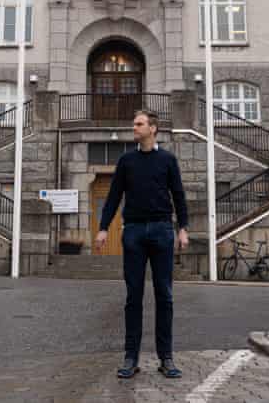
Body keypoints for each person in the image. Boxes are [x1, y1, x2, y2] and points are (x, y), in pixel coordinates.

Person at [94, 109, 189, 379]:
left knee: (165, 295)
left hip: (162, 230)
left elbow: (179, 195)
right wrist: (103, 228)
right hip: (133, 231)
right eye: (134, 123)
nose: (134, 127)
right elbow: (113, 197)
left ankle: (166, 358)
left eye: (139, 124)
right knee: (133, 296)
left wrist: (183, 228)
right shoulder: (127, 161)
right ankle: (131, 357)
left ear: (153, 128)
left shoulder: (168, 160)